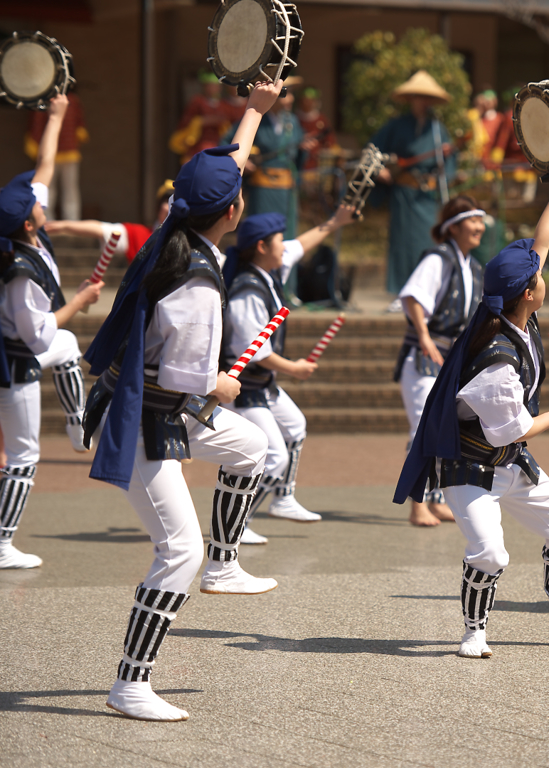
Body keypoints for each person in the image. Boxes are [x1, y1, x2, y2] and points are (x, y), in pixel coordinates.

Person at [82, 80, 284, 721]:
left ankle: (225, 565)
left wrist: (255, 109)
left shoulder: (175, 231)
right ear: (231, 215)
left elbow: (219, 175)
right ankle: (130, 684)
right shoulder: (198, 284)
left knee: (254, 445)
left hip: (158, 408)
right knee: (177, 551)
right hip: (146, 418)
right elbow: (192, 380)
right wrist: (224, 384)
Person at [395, 164, 549, 657]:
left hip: (509, 463)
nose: (543, 275)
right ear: (528, 294)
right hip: (470, 466)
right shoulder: (497, 356)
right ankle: (473, 631)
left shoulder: (512, 309)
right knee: (490, 552)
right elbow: (509, 430)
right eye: (539, 277)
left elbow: (540, 243)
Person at [0, 94, 103, 570]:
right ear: (28, 222)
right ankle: (1, 544)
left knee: (68, 348)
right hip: (14, 365)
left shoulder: (27, 234)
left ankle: (77, 421)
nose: (41, 195)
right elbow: (36, 335)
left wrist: (57, 116)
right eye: (35, 204)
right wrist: (80, 301)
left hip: (23, 352)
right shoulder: (19, 274)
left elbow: (43, 165)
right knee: (23, 457)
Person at [222, 204, 355, 544]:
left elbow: (302, 244)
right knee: (273, 455)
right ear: (263, 246)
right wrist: (293, 367)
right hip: (242, 385)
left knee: (295, 428)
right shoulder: (247, 290)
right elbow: (254, 350)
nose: (286, 246)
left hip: (262, 383)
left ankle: (282, 498)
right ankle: (238, 523)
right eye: (280, 240)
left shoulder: (270, 271)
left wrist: (334, 221)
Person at [394, 195, 486, 527]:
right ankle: (416, 505)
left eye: (480, 221)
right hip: (425, 356)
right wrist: (423, 335)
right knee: (422, 428)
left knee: (444, 429)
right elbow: (413, 297)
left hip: (452, 360)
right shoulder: (438, 259)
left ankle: (434, 500)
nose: (480, 227)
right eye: (473, 221)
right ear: (454, 227)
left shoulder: (473, 267)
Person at [371, 70, 458, 295]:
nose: (423, 102)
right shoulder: (396, 125)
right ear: (411, 99)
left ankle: (424, 292)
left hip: (427, 196)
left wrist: (445, 173)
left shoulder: (439, 129)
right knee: (401, 243)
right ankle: (401, 292)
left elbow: (447, 163)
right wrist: (379, 169)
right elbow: (373, 151)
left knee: (428, 240)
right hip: (403, 193)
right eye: (418, 97)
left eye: (427, 97)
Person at [234, 77, 312, 242]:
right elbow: (230, 143)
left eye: (291, 93)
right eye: (287, 93)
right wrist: (242, 161)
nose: (290, 98)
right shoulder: (255, 117)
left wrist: (303, 149)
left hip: (286, 188)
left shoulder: (292, 121)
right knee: (262, 233)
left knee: (286, 234)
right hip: (262, 187)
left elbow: (296, 156)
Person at [44, 179, 175, 265]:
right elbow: (101, 229)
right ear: (158, 206)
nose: (171, 207)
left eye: (176, 202)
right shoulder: (140, 234)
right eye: (166, 201)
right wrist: (64, 226)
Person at [25, 90, 87, 221]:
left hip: (69, 152)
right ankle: (46, 221)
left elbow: (79, 121)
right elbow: (37, 125)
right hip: (50, 153)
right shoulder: (43, 101)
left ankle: (72, 222)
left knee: (70, 189)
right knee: (47, 189)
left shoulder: (72, 100)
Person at [169, 71, 234, 165]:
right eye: (210, 86)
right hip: (198, 145)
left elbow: (230, 126)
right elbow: (186, 121)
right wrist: (201, 121)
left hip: (217, 144)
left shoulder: (224, 105)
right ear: (205, 87)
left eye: (216, 86)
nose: (214, 89)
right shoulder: (197, 102)